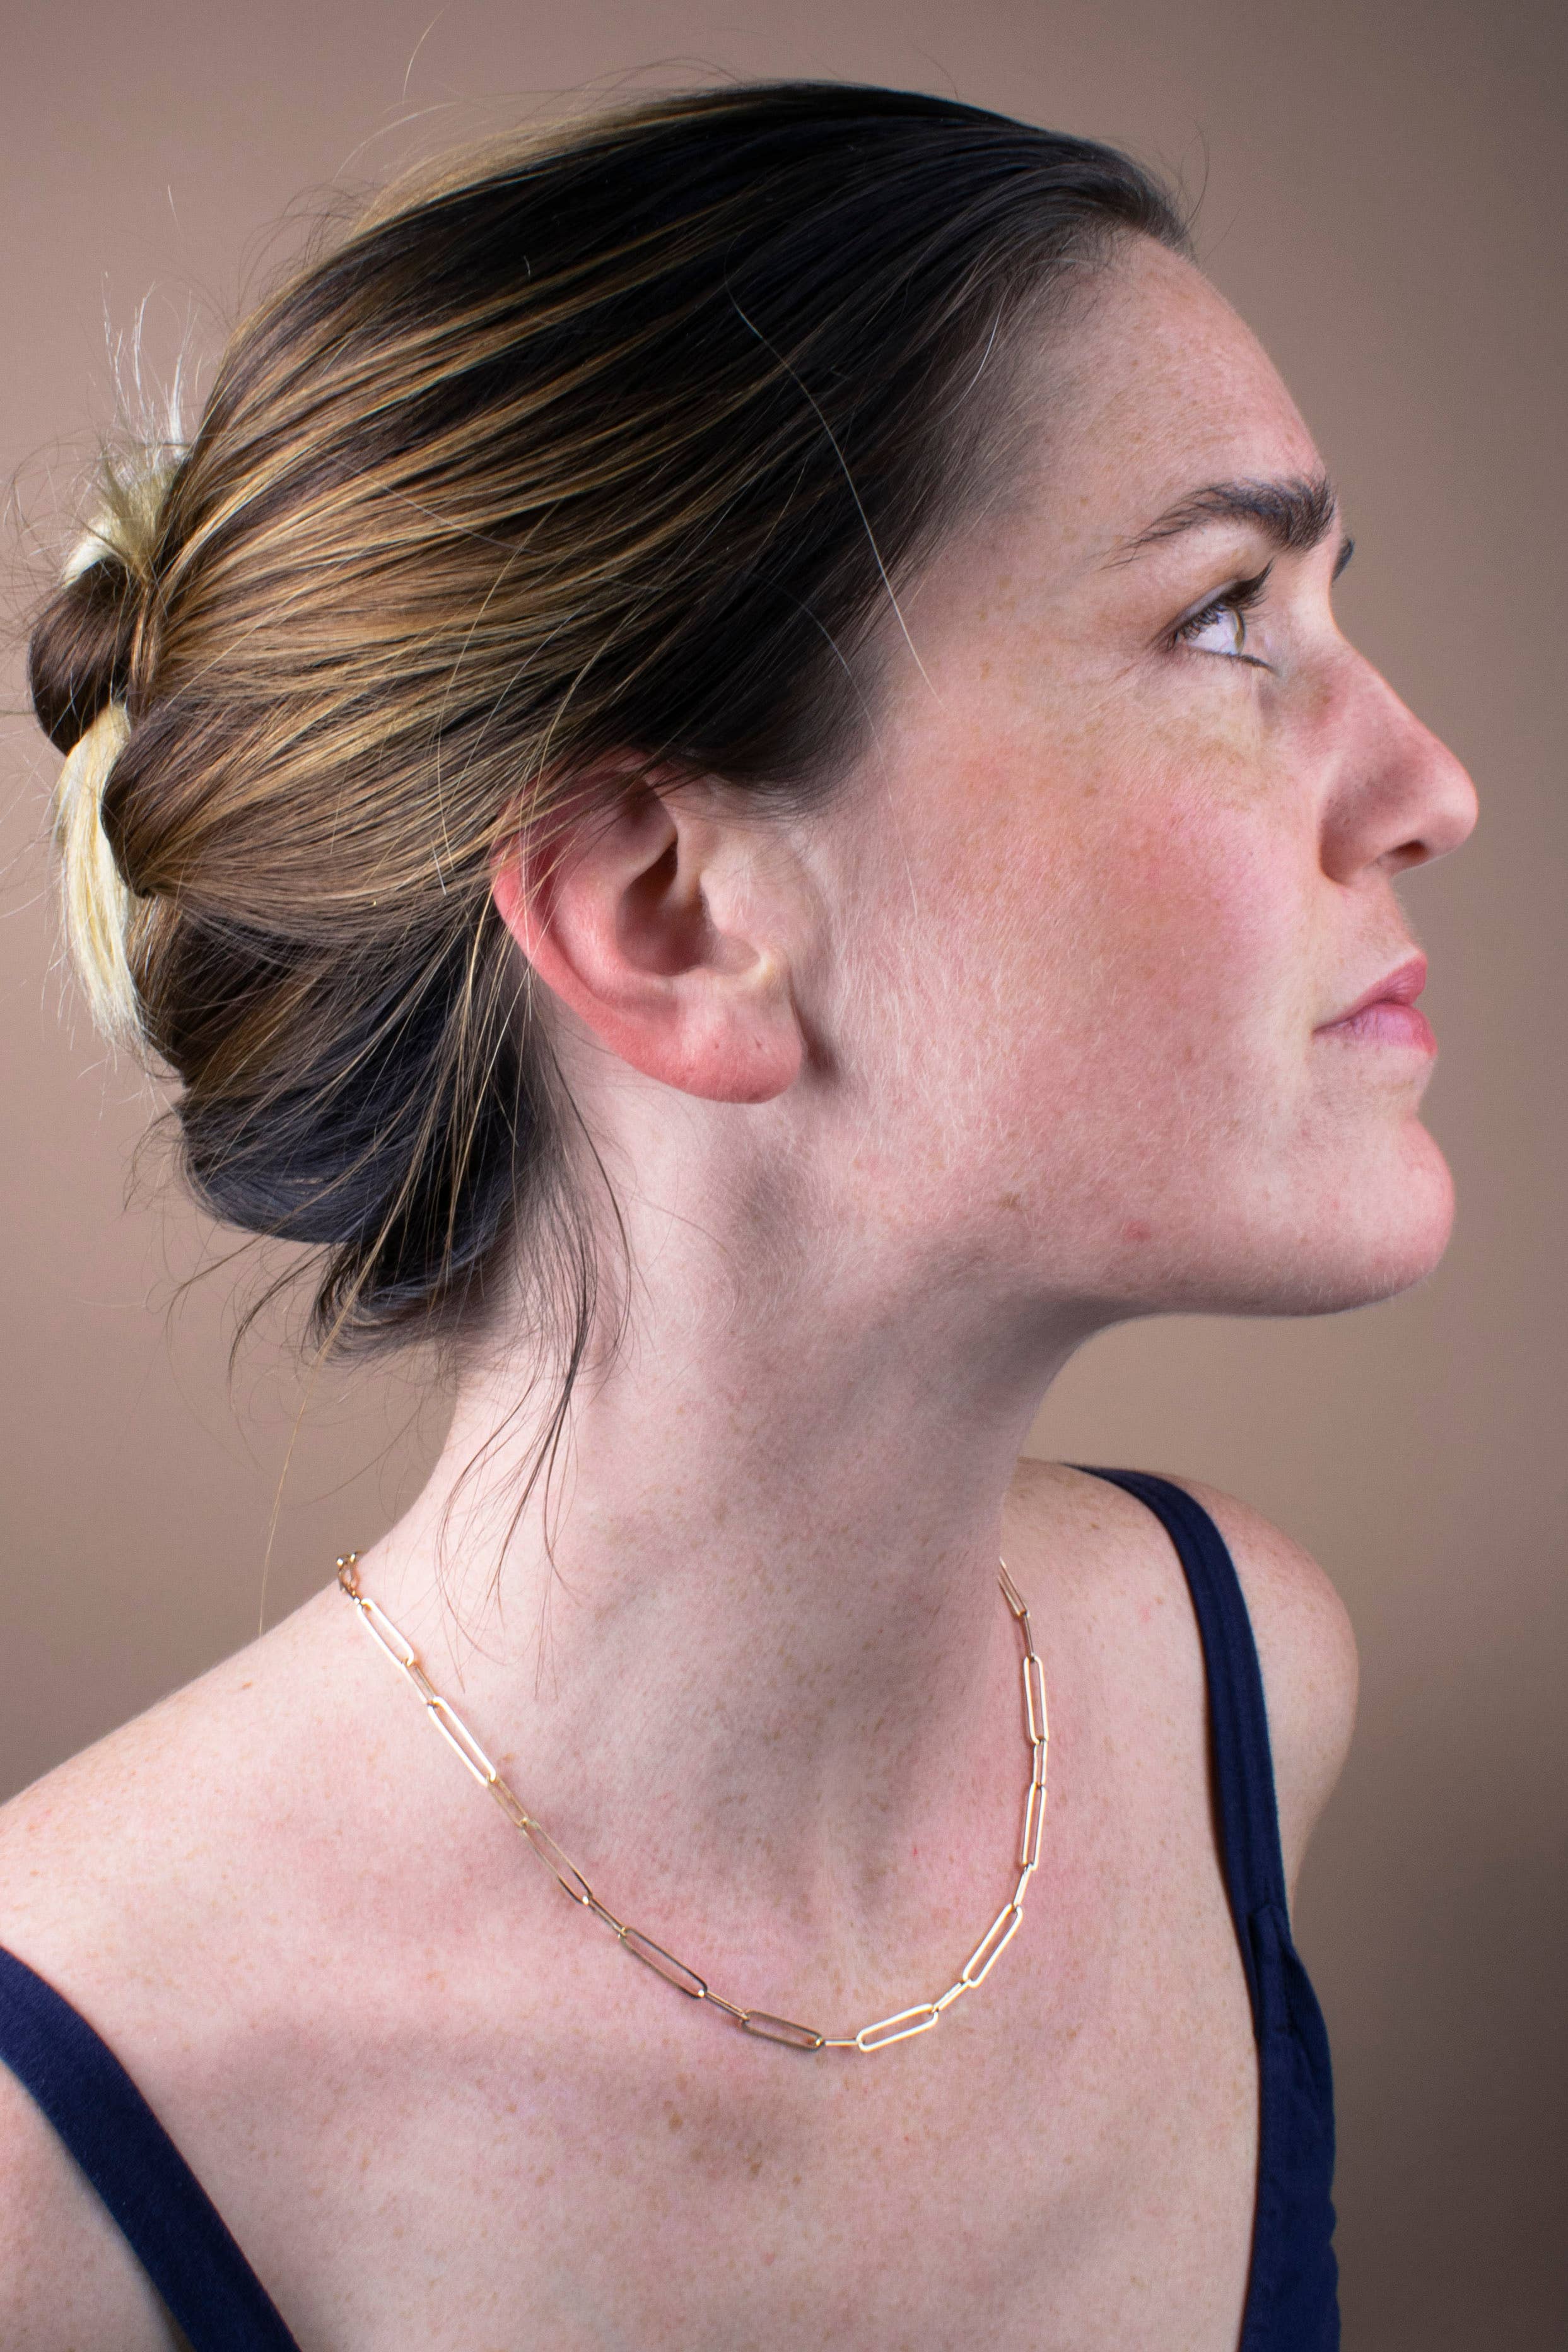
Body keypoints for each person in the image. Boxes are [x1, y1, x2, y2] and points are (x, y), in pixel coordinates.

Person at [0, 79, 1475, 2352]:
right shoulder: (56, 2153)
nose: (1430, 785)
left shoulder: (1237, 1694)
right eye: (1221, 617)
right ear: (671, 914)